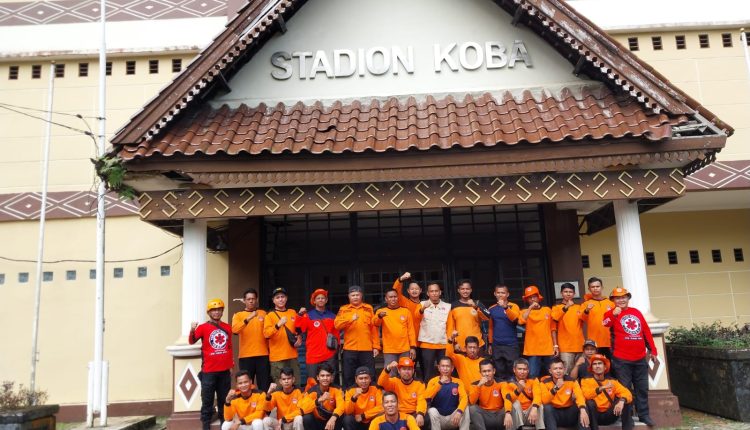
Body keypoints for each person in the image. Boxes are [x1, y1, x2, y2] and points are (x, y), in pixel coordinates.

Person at [602, 287, 657, 427]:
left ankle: (644, 415)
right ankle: (627, 419)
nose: (621, 300)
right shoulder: (610, 313)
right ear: (613, 300)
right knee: (624, 390)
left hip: (640, 358)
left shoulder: (636, 312)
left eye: (624, 297)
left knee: (642, 388)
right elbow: (605, 323)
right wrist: (613, 314)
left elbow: (646, 331)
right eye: (618, 298)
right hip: (621, 359)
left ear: (628, 298)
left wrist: (653, 350)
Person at [190, 298, 234, 430]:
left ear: (222, 311)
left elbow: (229, 347)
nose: (216, 312)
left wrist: (231, 365)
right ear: (209, 312)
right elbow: (192, 341)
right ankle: (205, 424)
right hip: (208, 371)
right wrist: (192, 330)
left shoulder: (227, 327)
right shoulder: (202, 327)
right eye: (214, 310)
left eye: (219, 310)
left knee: (223, 399)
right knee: (207, 400)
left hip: (224, 371)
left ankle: (224, 423)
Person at [335, 286, 380, 388]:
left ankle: (371, 394)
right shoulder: (344, 309)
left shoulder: (368, 308)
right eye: (353, 295)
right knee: (349, 375)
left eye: (357, 295)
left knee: (370, 374)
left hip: (366, 348)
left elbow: (373, 328)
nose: (355, 297)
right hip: (350, 348)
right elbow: (337, 325)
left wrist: (376, 346)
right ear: (349, 296)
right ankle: (350, 395)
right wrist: (350, 319)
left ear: (361, 296)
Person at [296, 288, 340, 385]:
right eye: (318, 298)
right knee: (313, 382)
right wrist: (299, 315)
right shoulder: (308, 315)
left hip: (329, 354)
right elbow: (299, 329)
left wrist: (336, 349)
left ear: (326, 300)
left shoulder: (333, 316)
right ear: (314, 301)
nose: (320, 300)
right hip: (313, 354)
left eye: (323, 298)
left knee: (330, 381)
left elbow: (336, 334)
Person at [581, 354, 634, 430]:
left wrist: (622, 401)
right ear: (592, 368)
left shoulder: (612, 381)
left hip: (610, 415)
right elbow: (586, 395)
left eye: (600, 363)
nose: (597, 366)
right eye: (594, 364)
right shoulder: (585, 380)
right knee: (589, 402)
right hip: (594, 416)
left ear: (605, 367)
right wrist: (601, 388)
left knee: (625, 400)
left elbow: (627, 393)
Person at [233, 288, 271, 391]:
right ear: (244, 300)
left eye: (253, 299)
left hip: (263, 354)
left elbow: (269, 332)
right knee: (247, 386)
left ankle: (264, 402)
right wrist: (248, 318)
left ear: (257, 300)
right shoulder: (238, 315)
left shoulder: (263, 313)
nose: (251, 301)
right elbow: (235, 330)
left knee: (264, 385)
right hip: (246, 356)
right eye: (248, 299)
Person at [263, 288, 302, 385]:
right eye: (277, 297)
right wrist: (278, 325)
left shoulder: (292, 312)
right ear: (273, 300)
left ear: (286, 298)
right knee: (280, 387)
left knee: (296, 384)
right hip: (278, 358)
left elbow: (298, 329)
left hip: (292, 355)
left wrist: (299, 338)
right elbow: (266, 334)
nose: (280, 299)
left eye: (282, 297)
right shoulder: (269, 315)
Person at [518, 285, 557, 378]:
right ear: (527, 300)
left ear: (538, 297)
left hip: (548, 348)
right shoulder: (524, 311)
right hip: (533, 349)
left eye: (534, 296)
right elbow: (521, 321)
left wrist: (555, 345)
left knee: (553, 374)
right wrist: (530, 308)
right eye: (529, 298)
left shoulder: (547, 310)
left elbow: (553, 328)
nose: (532, 299)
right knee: (532, 375)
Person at [539, 358, 589, 430]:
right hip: (555, 415)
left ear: (564, 370)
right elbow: (544, 401)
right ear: (550, 371)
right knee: (547, 407)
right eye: (555, 369)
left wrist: (582, 409)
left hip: (569, 413)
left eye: (560, 368)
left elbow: (579, 395)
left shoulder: (572, 381)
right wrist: (555, 388)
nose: (558, 371)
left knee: (583, 406)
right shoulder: (544, 382)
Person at [375, 289, 417, 374]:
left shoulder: (405, 311)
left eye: (395, 297)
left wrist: (413, 347)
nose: (393, 299)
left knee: (406, 373)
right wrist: (379, 316)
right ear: (386, 299)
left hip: (405, 349)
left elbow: (411, 331)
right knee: (391, 374)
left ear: (398, 298)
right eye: (390, 297)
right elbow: (375, 323)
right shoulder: (381, 311)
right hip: (389, 349)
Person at [377, 357, 426, 427]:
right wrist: (388, 369)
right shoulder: (394, 381)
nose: (406, 372)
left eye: (409, 369)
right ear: (399, 371)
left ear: (413, 371)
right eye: (404, 369)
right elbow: (381, 383)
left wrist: (420, 413)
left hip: (414, 413)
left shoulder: (419, 384)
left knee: (426, 417)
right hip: (398, 414)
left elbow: (421, 401)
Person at [424, 356, 470, 430]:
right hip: (438, 419)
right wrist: (440, 383)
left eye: (448, 366)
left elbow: (464, 398)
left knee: (465, 408)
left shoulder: (458, 382)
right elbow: (427, 397)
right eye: (443, 366)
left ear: (452, 368)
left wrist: (459, 412)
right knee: (432, 410)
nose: (445, 369)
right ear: (438, 368)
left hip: (454, 418)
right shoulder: (433, 381)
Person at [487, 284, 521, 381]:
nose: (500, 295)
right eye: (498, 292)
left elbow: (515, 319)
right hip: (497, 345)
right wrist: (490, 343)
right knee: (499, 372)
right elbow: (490, 327)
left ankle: (513, 389)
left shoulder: (514, 306)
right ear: (495, 294)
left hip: (511, 345)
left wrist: (505, 307)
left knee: (513, 372)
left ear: (507, 294)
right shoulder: (492, 308)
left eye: (503, 293)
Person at [418, 282, 450, 383]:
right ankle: (428, 390)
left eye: (436, 291)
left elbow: (450, 325)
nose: (434, 293)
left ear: (440, 292)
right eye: (432, 291)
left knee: (445, 370)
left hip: (443, 343)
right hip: (427, 344)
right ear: (428, 293)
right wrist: (423, 309)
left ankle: (445, 389)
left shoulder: (448, 306)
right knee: (428, 372)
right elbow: (415, 318)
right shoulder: (421, 304)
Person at [446, 279, 489, 353]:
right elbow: (450, 327)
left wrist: (475, 307)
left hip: (476, 343)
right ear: (458, 290)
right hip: (460, 344)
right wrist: (454, 343)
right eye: (462, 289)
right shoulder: (453, 306)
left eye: (467, 289)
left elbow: (487, 317)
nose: (465, 291)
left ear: (471, 290)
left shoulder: (477, 303)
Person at [551, 283, 585, 375]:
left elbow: (585, 318)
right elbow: (555, 318)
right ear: (561, 293)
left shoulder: (578, 307)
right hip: (565, 347)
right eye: (565, 292)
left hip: (580, 345)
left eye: (570, 292)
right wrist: (566, 307)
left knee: (580, 372)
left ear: (574, 294)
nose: (568, 294)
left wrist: (587, 310)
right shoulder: (556, 307)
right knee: (566, 373)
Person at [393, 273, 423, 373]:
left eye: (416, 289)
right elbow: (395, 291)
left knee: (425, 368)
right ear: (408, 291)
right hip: (410, 343)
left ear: (421, 290)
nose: (414, 291)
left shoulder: (425, 304)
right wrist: (401, 279)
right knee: (409, 369)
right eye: (412, 289)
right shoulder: (404, 302)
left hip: (424, 342)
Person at [300, 363, 345, 430]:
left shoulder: (337, 389)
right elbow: (303, 409)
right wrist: (318, 401)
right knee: (307, 418)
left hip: (332, 420)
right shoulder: (311, 391)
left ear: (331, 377)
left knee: (342, 416)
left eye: (328, 375)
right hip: (317, 422)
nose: (325, 378)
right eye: (322, 376)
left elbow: (341, 406)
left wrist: (333, 418)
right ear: (318, 377)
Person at [502, 358, 543, 430]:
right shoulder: (508, 383)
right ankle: (519, 428)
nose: (522, 372)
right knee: (516, 403)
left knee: (539, 405)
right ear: (514, 370)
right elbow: (508, 399)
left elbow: (538, 395)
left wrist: (534, 407)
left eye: (524, 369)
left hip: (531, 414)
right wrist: (518, 390)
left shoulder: (533, 380)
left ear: (528, 370)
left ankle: (540, 428)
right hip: (516, 415)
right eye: (519, 369)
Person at [580, 278, 615, 359]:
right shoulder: (585, 304)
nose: (595, 288)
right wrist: (587, 310)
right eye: (593, 287)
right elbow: (582, 318)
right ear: (589, 289)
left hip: (610, 341)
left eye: (597, 286)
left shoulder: (611, 303)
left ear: (602, 287)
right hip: (594, 342)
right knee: (596, 365)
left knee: (613, 365)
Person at [468, 359, 506, 430]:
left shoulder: (502, 383)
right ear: (480, 372)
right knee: (472, 408)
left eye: (489, 371)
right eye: (484, 371)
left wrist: (508, 413)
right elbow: (471, 402)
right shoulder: (475, 385)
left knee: (513, 405)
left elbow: (507, 399)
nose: (487, 374)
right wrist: (479, 386)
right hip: (485, 417)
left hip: (500, 416)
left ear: (494, 371)